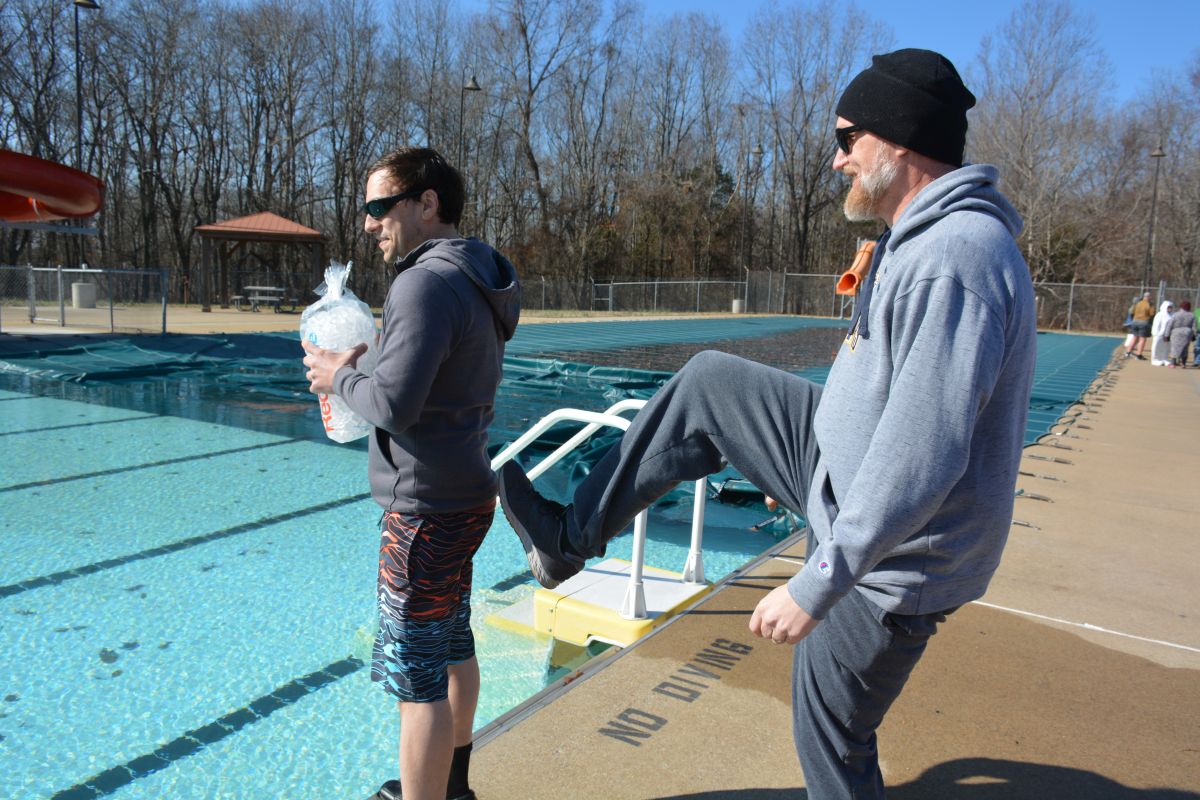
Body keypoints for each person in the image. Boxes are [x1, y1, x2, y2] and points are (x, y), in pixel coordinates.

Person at [497, 48, 1035, 799]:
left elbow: (923, 458)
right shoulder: (917, 238)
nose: (837, 160)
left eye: (847, 139)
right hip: (838, 470)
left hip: (896, 556)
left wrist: (818, 582)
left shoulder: (956, 260)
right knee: (712, 383)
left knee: (832, 740)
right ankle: (566, 539)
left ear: (899, 139)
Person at [302, 147, 521, 800]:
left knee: (415, 680)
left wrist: (336, 376)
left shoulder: (422, 283)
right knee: (453, 644)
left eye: (380, 206)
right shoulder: (475, 275)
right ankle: (453, 786)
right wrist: (367, 366)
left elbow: (395, 407)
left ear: (427, 203)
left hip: (422, 513)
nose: (369, 222)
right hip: (465, 496)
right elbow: (430, 384)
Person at [1162, 300, 1197, 368]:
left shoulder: (1176, 314)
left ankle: (1173, 363)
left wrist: (1166, 335)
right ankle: (1183, 364)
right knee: (1185, 348)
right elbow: (1194, 327)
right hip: (1187, 333)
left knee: (1174, 348)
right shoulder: (1192, 315)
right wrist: (1194, 335)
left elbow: (1169, 325)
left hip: (1176, 333)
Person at [1126, 291, 1154, 359]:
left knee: (1135, 337)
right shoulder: (1149, 304)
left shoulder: (1138, 303)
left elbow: (1131, 311)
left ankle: (1128, 352)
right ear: (1149, 297)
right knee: (1142, 339)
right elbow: (1152, 314)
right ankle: (1139, 355)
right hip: (1144, 322)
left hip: (1135, 321)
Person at [1150, 300, 1175, 366]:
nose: (1170, 309)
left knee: (1166, 347)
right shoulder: (1160, 314)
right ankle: (1155, 359)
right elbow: (1156, 325)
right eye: (1168, 307)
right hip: (1159, 335)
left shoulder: (1172, 315)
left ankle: (1164, 359)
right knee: (1157, 347)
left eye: (1171, 307)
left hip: (1168, 335)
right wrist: (1156, 333)